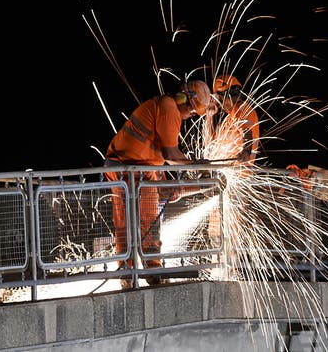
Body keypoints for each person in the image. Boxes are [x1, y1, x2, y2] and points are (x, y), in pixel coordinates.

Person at [103, 80, 211, 285]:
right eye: (191, 111)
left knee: (147, 215)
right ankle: (137, 271)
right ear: (183, 99)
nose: (190, 116)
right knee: (135, 221)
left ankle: (142, 271)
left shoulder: (166, 109)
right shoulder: (169, 107)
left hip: (142, 168)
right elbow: (171, 154)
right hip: (126, 168)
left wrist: (202, 186)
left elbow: (168, 189)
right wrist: (196, 165)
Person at [204, 75, 260, 278]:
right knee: (216, 230)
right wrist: (209, 117)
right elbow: (210, 146)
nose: (216, 102)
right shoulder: (229, 119)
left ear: (227, 94)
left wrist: (244, 152)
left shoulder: (243, 111)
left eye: (218, 97)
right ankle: (218, 268)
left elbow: (247, 138)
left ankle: (227, 271)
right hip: (222, 182)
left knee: (228, 229)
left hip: (235, 182)